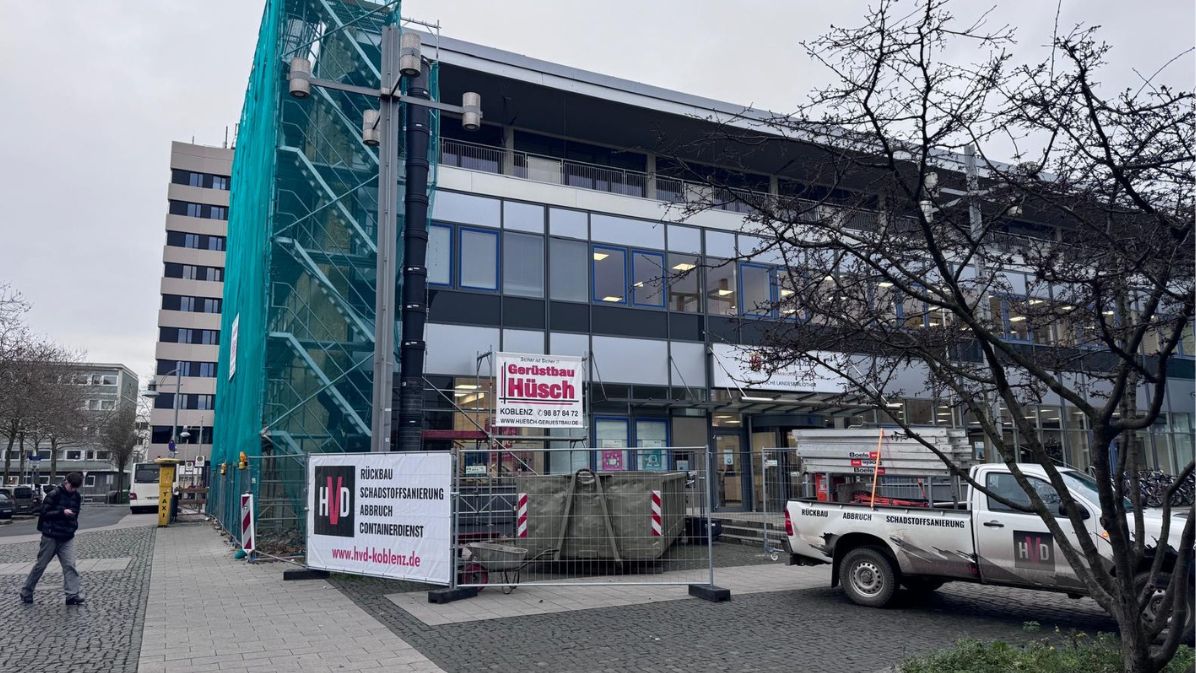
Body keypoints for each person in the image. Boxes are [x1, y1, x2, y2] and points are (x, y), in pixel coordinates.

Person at [20, 472, 84, 605]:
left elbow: (76, 513)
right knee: (41, 565)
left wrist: (73, 524)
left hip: (67, 536)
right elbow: (44, 513)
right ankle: (26, 591)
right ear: (66, 482)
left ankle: (72, 595)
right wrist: (62, 512)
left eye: (75, 488)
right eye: (71, 487)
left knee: (70, 565)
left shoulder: (76, 496)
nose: (73, 490)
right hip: (50, 536)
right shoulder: (54, 494)